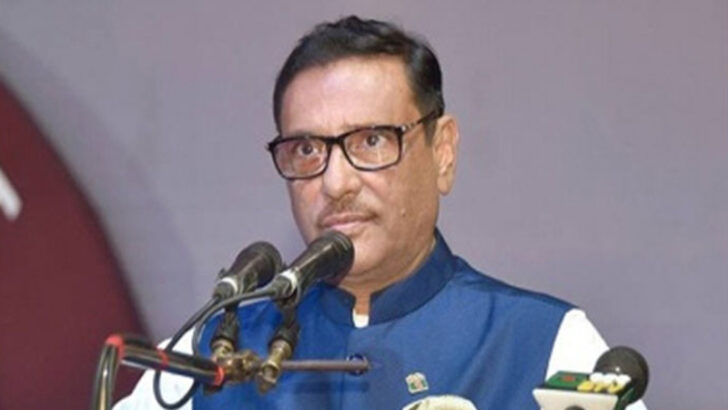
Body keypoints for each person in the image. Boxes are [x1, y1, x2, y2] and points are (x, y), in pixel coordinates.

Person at [116, 15, 647, 409]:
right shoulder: (210, 353)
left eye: (371, 140)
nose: (335, 182)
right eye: (307, 150)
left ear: (443, 153)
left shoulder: (544, 344)